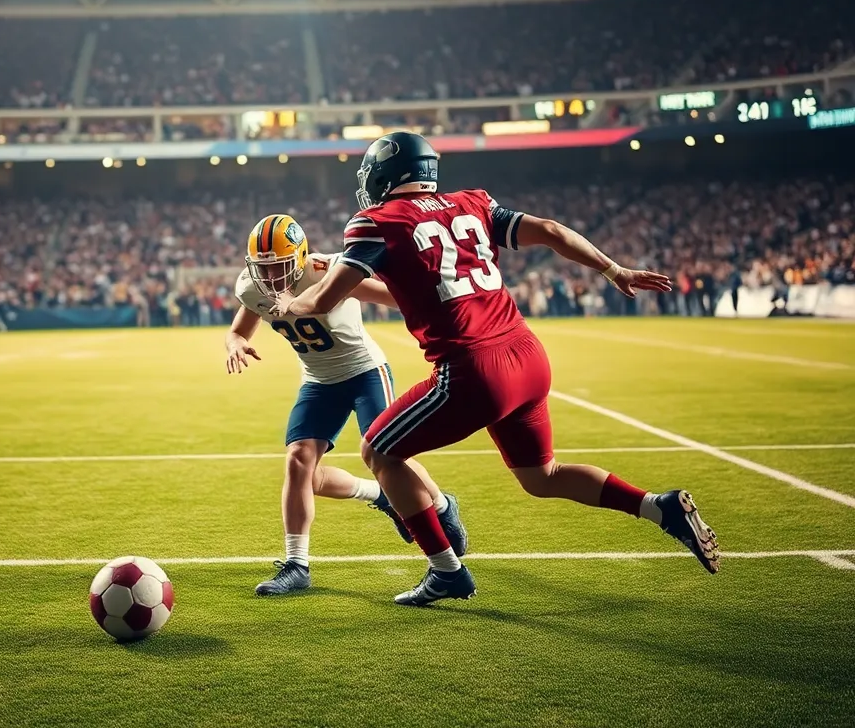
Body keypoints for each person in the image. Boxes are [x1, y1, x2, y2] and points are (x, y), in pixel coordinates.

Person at [272, 132, 719, 606]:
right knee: (542, 477)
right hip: (528, 356)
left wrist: (287, 302)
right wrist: (615, 270)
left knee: (380, 452)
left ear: (383, 175)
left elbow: (322, 299)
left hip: (472, 369)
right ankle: (658, 507)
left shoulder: (375, 221)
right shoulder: (474, 203)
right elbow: (550, 231)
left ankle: (446, 571)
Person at [227, 213, 466, 596]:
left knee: (390, 455)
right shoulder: (253, 288)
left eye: (280, 267)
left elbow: (393, 297)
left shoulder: (330, 271)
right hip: (319, 381)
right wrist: (235, 342)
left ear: (302, 258)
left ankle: (440, 505)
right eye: (263, 269)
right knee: (300, 463)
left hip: (364, 371)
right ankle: (297, 564)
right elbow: (242, 325)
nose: (270, 278)